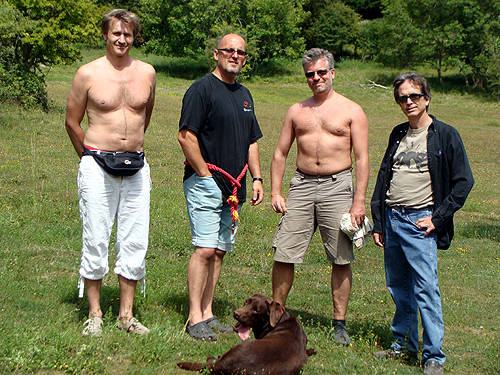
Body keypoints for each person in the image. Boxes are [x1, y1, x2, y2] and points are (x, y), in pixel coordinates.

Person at [371, 73, 474, 375]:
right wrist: (379, 222)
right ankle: (403, 344)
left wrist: (438, 218)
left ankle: (433, 356)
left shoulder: (445, 134)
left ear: (427, 98)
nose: (409, 102)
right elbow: (383, 177)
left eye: (414, 96)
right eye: (403, 97)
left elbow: (463, 181)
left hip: (420, 221)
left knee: (426, 289)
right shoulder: (398, 133)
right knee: (398, 287)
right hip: (392, 219)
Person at [65, 9, 156, 337]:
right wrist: (88, 159)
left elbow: (145, 116)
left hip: (136, 166)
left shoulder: (147, 73)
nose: (122, 39)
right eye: (116, 33)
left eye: (128, 34)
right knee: (96, 238)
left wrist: (129, 147)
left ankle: (126, 315)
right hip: (97, 164)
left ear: (134, 36)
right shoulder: (87, 73)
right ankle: (95, 313)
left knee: (135, 240)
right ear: (105, 35)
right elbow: (72, 122)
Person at [271, 48, 370, 346]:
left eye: (321, 72)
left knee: (341, 256)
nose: (316, 78)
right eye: (310, 74)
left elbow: (362, 158)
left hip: (337, 185)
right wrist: (276, 191)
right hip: (301, 185)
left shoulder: (352, 110)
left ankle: (339, 323)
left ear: (333, 73)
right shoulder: (296, 110)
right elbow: (280, 153)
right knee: (284, 251)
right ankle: (277, 316)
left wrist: (359, 201)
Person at [178, 34, 264, 341]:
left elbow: (251, 140)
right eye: (229, 50)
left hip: (235, 188)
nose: (235, 55)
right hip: (206, 184)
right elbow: (186, 136)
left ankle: (208, 313)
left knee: (219, 251)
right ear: (216, 53)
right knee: (203, 249)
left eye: (241, 52)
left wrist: (256, 178)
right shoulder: (201, 90)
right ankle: (193, 318)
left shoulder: (244, 94)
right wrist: (203, 176)